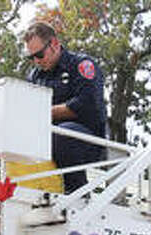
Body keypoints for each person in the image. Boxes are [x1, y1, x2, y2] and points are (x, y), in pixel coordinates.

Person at [23, 21, 108, 194]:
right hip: (48, 140)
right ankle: (31, 191)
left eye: (39, 54)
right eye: (31, 57)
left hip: (88, 141)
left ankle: (76, 193)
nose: (36, 61)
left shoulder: (81, 65)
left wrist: (45, 113)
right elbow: (27, 109)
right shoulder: (35, 76)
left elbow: (86, 104)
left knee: (62, 134)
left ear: (54, 44)